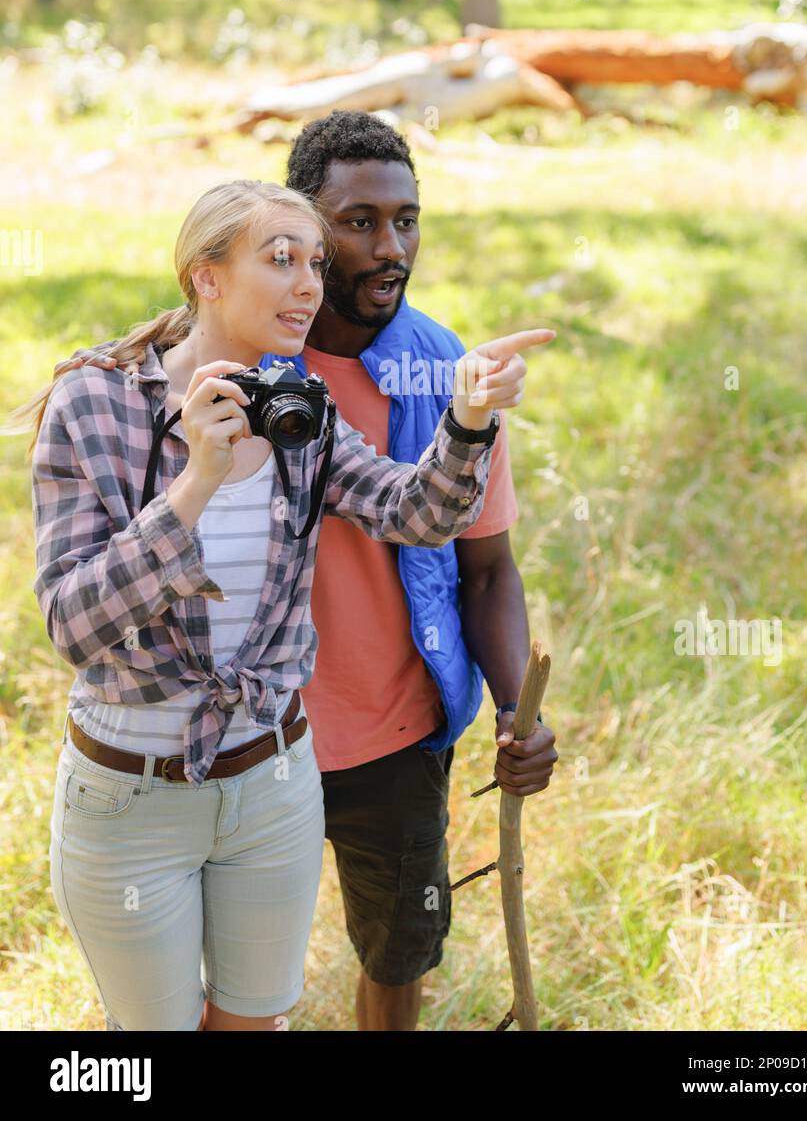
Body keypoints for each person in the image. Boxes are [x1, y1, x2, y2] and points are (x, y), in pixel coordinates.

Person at [11, 177, 554, 1032]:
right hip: (132, 798)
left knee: (253, 1026)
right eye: (281, 260)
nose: (309, 284)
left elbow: (417, 514)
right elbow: (74, 626)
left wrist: (468, 416)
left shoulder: (298, 406)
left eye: (312, 262)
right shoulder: (98, 402)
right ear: (206, 277)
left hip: (271, 785)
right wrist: (196, 482)